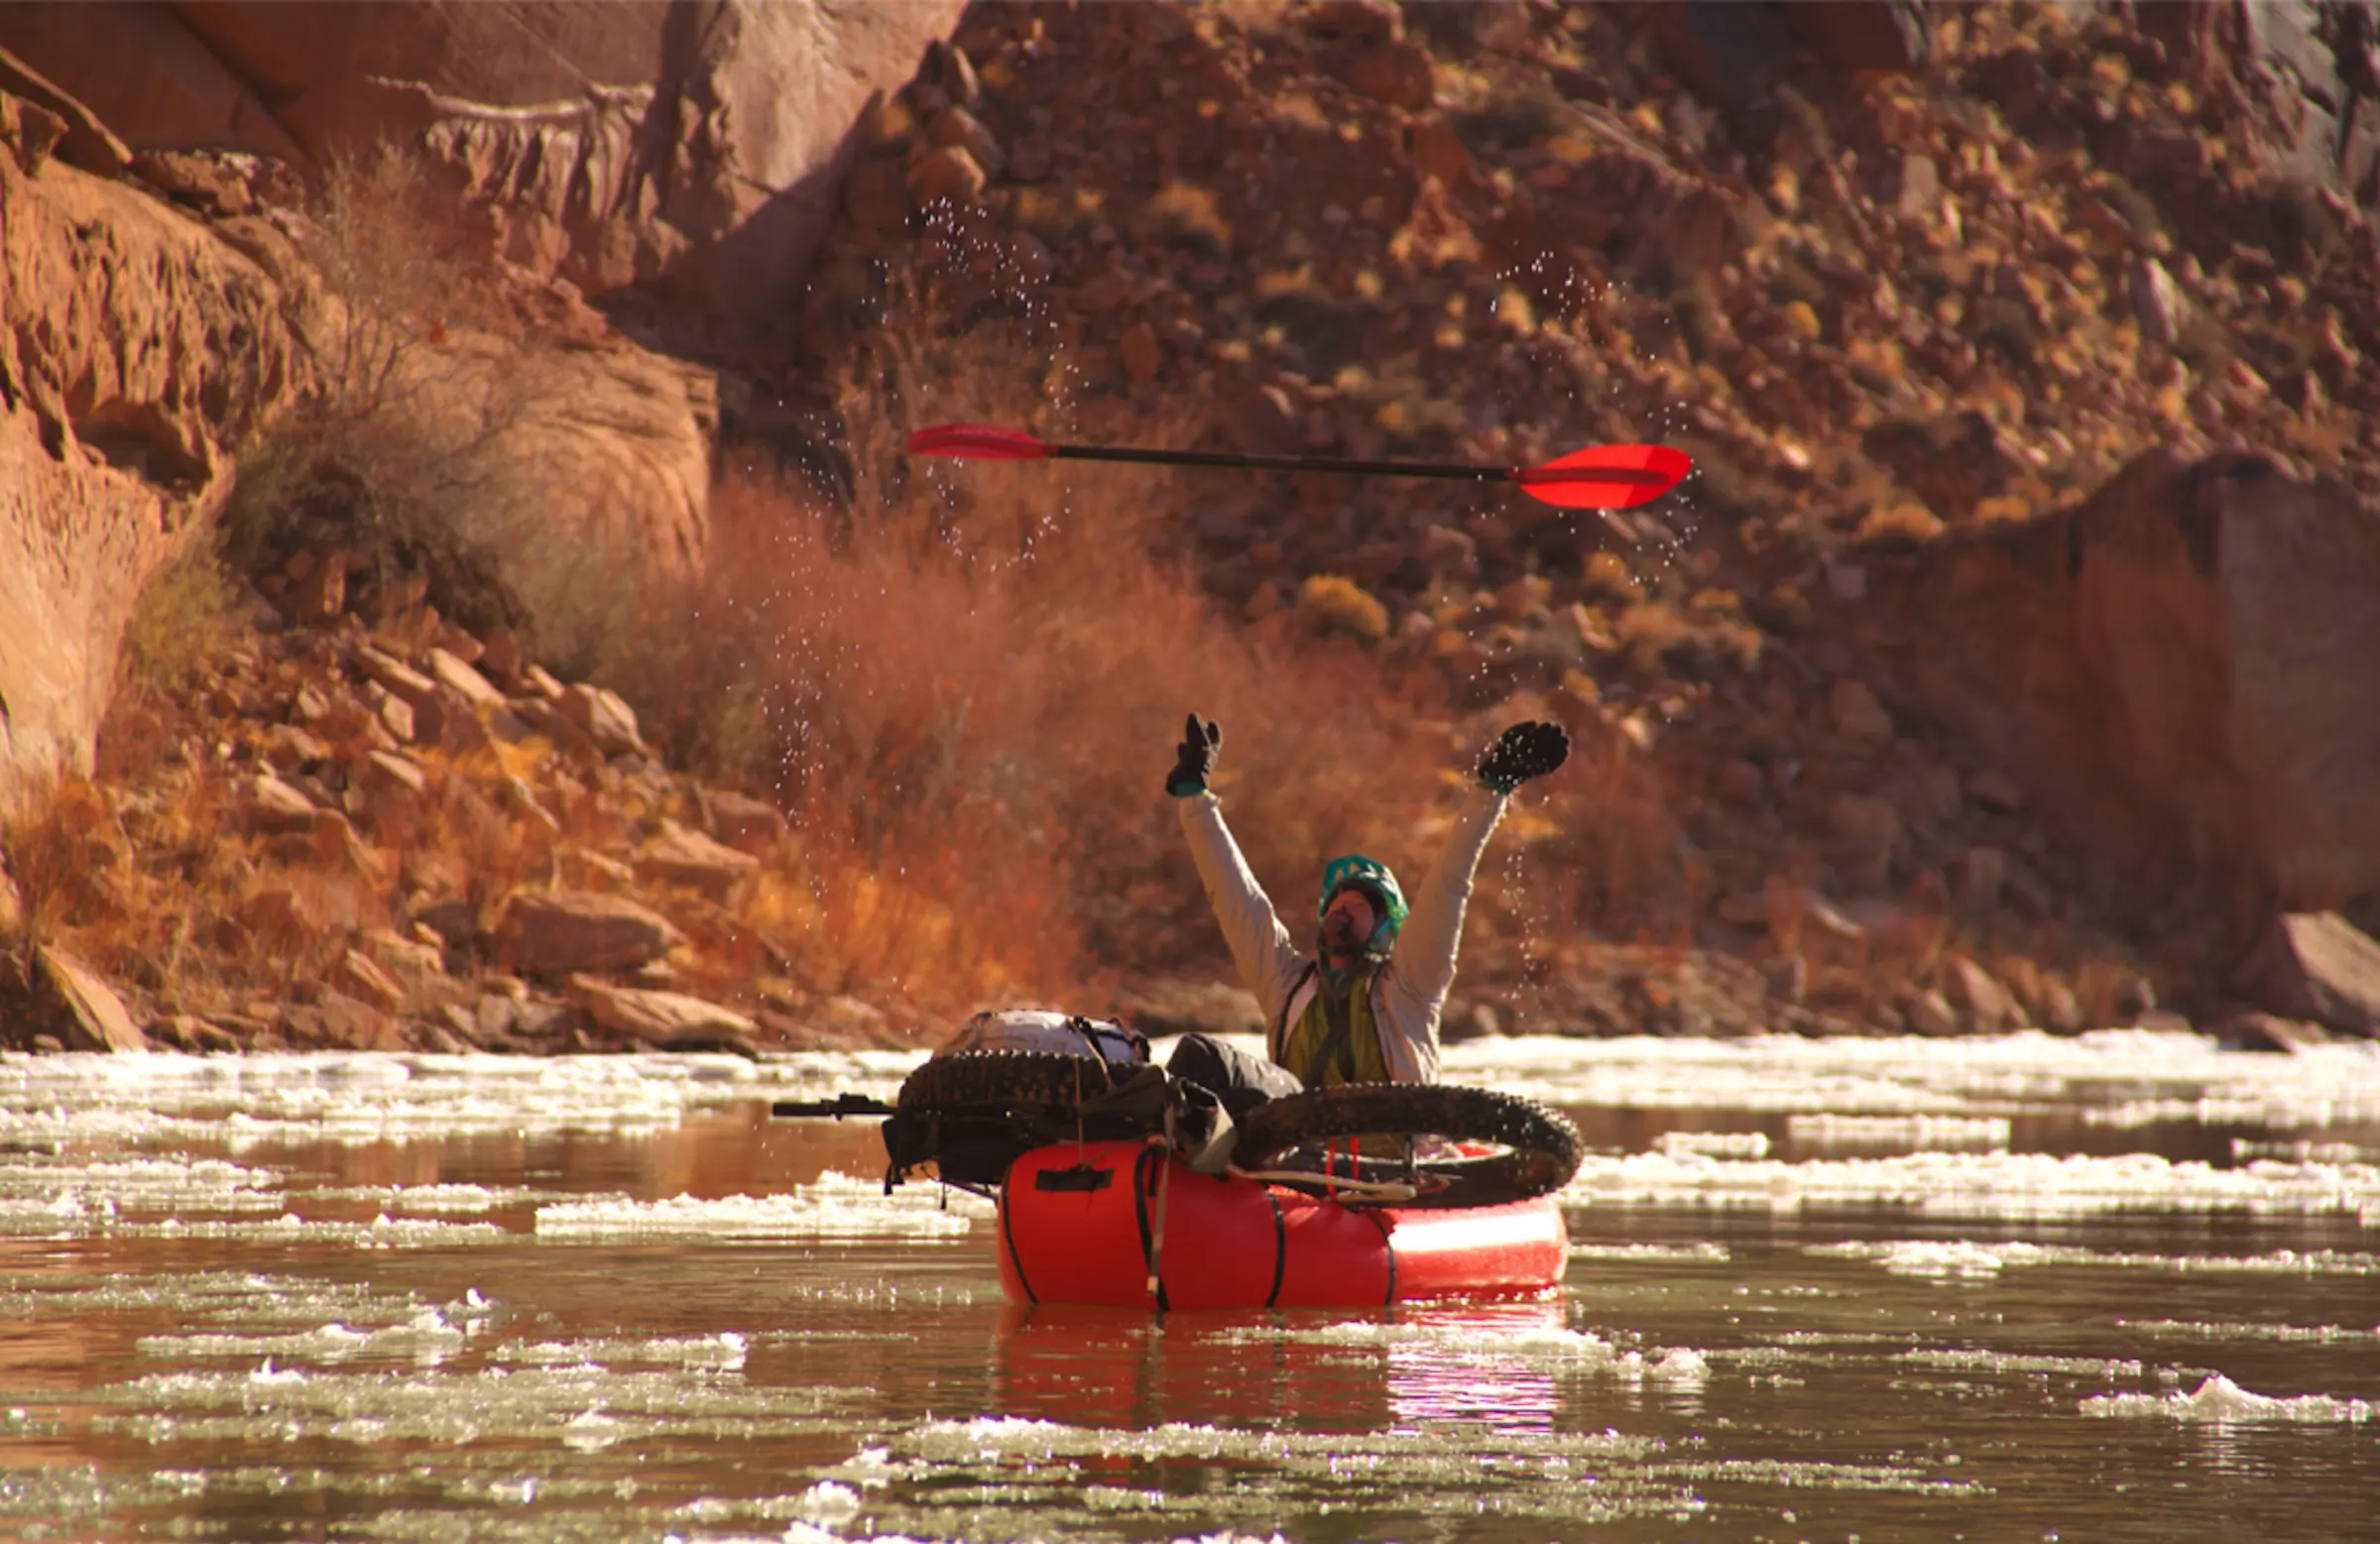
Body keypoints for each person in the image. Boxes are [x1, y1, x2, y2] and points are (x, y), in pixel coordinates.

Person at [1163, 712, 1570, 1088]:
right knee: (1200, 1058)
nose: (1342, 907)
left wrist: (1491, 791)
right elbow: (1236, 898)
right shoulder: (1286, 986)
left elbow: (1450, 882)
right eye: (1337, 903)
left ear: (1383, 931)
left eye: (1358, 906)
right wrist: (1194, 798)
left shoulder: (1411, 986)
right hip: (1301, 1158)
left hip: (1398, 1160)